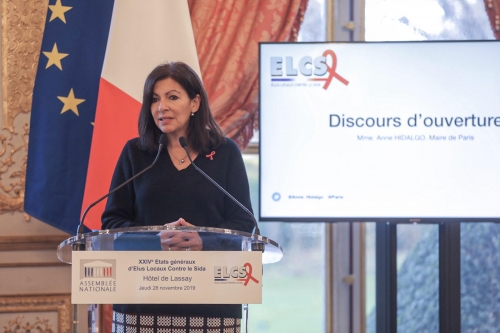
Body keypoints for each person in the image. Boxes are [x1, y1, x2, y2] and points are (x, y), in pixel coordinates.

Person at [101, 62, 254, 333]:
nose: (162, 107)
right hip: (143, 300)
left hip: (211, 301)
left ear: (195, 103)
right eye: (155, 99)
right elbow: (112, 221)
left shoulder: (225, 152)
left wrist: (203, 240)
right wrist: (154, 239)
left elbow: (244, 222)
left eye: (172, 97)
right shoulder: (136, 153)